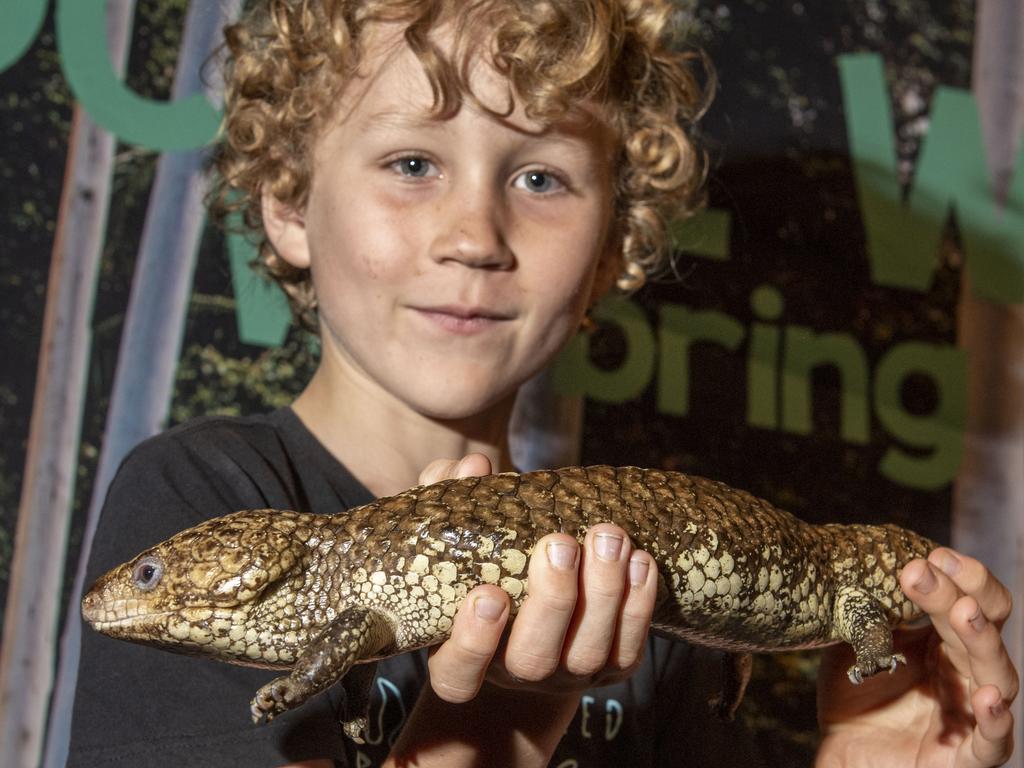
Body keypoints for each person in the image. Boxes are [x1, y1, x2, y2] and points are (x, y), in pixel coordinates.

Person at [67, 1, 1018, 766]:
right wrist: (494, 728)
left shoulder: (659, 584)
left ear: (613, 249)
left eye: (541, 180)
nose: (475, 235)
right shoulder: (201, 492)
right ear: (287, 206)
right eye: (411, 163)